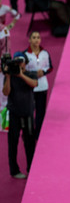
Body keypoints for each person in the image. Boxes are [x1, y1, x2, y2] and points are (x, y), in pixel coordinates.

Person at [2, 51, 38, 179]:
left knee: (29, 142)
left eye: (21, 61)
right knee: (12, 143)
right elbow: (6, 92)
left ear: (25, 63)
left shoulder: (30, 73)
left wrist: (21, 75)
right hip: (14, 114)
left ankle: (31, 168)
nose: (19, 64)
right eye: (16, 61)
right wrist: (9, 76)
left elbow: (34, 84)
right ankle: (14, 170)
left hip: (27, 113)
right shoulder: (9, 76)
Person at [24, 31, 52, 139]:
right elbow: (22, 70)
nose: (36, 40)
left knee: (41, 112)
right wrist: (33, 74)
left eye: (38, 37)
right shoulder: (25, 54)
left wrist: (44, 72)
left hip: (42, 87)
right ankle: (29, 133)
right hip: (30, 87)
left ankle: (39, 133)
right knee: (30, 111)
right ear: (29, 40)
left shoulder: (45, 53)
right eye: (34, 37)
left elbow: (50, 67)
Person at [0, 0, 20, 114]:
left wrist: (11, 25)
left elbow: (6, 52)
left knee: (3, 94)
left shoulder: (4, 31)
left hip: (1, 68)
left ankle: (3, 121)